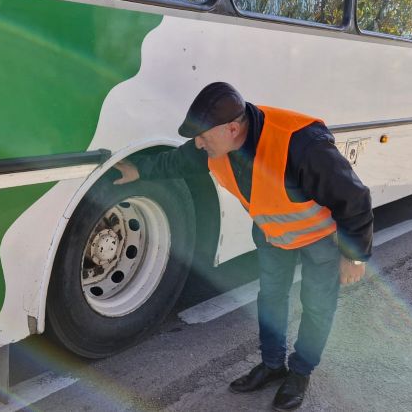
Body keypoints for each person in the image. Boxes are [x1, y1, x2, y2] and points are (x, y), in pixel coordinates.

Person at [113, 82, 373, 411]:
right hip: (273, 235)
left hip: (320, 239)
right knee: (270, 300)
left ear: (233, 128)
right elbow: (176, 161)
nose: (197, 144)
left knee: (317, 306)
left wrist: (355, 255)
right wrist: (138, 170)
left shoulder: (301, 143)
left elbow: (354, 198)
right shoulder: (212, 141)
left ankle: (300, 373)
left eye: (203, 138)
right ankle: (272, 365)